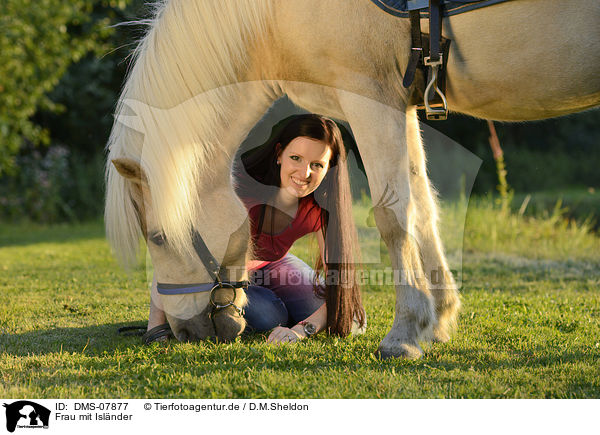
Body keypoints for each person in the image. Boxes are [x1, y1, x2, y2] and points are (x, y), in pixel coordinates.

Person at [147, 114, 365, 343]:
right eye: (296, 158)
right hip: (223, 276)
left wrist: (302, 329)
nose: (304, 173)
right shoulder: (239, 187)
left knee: (353, 318)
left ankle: (282, 311)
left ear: (329, 167)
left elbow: (340, 287)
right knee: (269, 315)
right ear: (279, 154)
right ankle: (266, 310)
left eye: (317, 165)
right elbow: (173, 247)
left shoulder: (322, 205)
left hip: (273, 264)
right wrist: (156, 325)